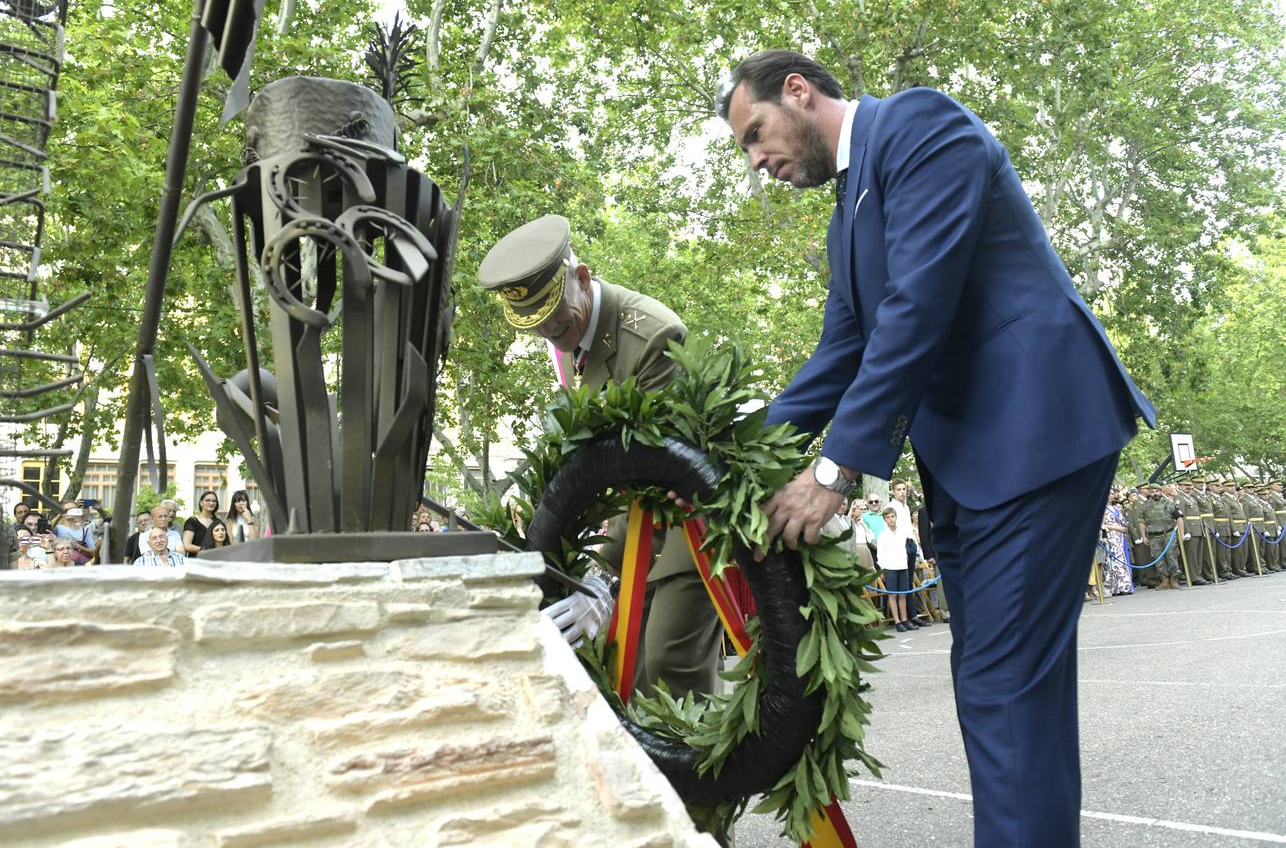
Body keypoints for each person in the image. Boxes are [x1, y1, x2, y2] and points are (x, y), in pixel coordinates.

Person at [718, 49, 1155, 847]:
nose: (756, 160)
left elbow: (917, 307)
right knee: (1004, 687)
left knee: (1001, 686)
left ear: (798, 91)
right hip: (976, 464)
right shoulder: (846, 213)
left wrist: (834, 471)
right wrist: (729, 455)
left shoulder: (919, 125)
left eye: (755, 134)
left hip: (1035, 434)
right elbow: (842, 353)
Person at [478, 213, 721, 696]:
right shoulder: (570, 339)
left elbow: (660, 470)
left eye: (555, 314)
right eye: (535, 323)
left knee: (668, 660)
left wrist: (605, 574)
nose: (548, 330)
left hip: (689, 518)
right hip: (634, 523)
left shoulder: (653, 336)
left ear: (583, 278)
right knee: (624, 665)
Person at [874, 507, 911, 631]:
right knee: (893, 594)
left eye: (892, 516)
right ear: (885, 520)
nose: (891, 519)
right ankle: (897, 621)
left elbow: (903, 548)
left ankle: (904, 619)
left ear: (896, 517)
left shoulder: (901, 532)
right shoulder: (882, 535)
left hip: (902, 565)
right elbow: (880, 554)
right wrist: (883, 570)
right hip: (890, 567)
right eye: (888, 517)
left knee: (903, 594)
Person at [1099, 489, 1134, 596]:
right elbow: (1101, 524)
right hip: (1109, 536)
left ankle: (1124, 585)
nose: (1110, 495)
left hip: (1120, 536)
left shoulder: (1116, 508)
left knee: (1121, 559)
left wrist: (1123, 528)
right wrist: (1115, 528)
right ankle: (1113, 587)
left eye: (1111, 493)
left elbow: (1123, 522)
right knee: (1112, 561)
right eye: (1108, 493)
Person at [182, 491, 220, 557]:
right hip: (197, 560)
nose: (211, 503)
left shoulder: (218, 522)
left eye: (214, 501)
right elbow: (187, 545)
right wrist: (206, 550)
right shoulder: (192, 521)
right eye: (207, 500)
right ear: (201, 503)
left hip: (215, 559)